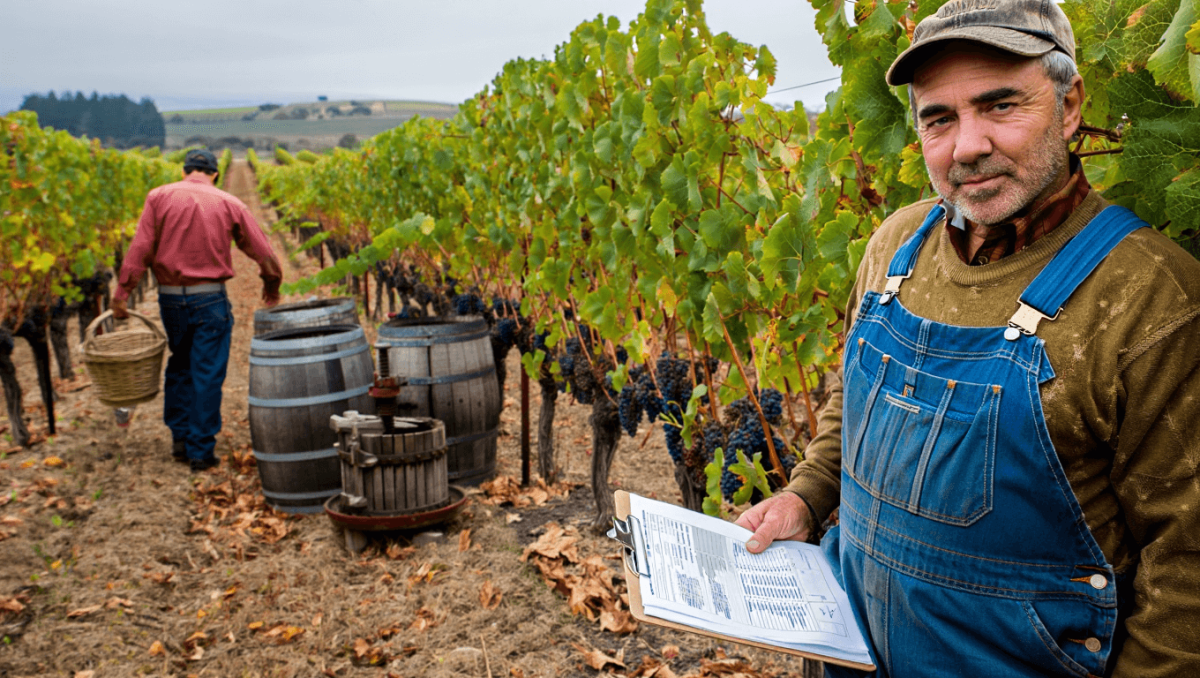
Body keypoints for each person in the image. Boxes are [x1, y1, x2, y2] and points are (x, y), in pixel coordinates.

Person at [736, 2, 1200, 676]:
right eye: (939, 118)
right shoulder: (896, 246)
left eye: (1000, 105)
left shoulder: (1152, 299)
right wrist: (805, 497)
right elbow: (853, 409)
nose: (967, 145)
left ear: (1069, 106)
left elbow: (1187, 567)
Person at [112, 149, 282, 472]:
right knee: (207, 371)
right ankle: (200, 451)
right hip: (210, 300)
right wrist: (271, 286)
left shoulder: (158, 197)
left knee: (180, 363)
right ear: (216, 174)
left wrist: (122, 293)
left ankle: (179, 439)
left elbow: (140, 248)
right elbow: (263, 252)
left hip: (171, 299)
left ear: (184, 170)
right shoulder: (230, 203)